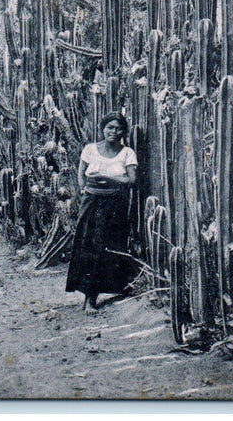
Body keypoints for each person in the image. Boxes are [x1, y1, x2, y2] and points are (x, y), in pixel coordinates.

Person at [65, 112, 138, 315]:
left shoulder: (127, 153)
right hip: (91, 202)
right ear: (103, 128)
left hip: (116, 203)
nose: (113, 132)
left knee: (113, 245)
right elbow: (81, 173)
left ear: (124, 131)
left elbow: (131, 180)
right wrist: (84, 190)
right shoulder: (90, 149)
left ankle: (118, 287)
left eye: (118, 128)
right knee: (89, 245)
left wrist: (105, 176)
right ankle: (90, 297)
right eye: (110, 127)